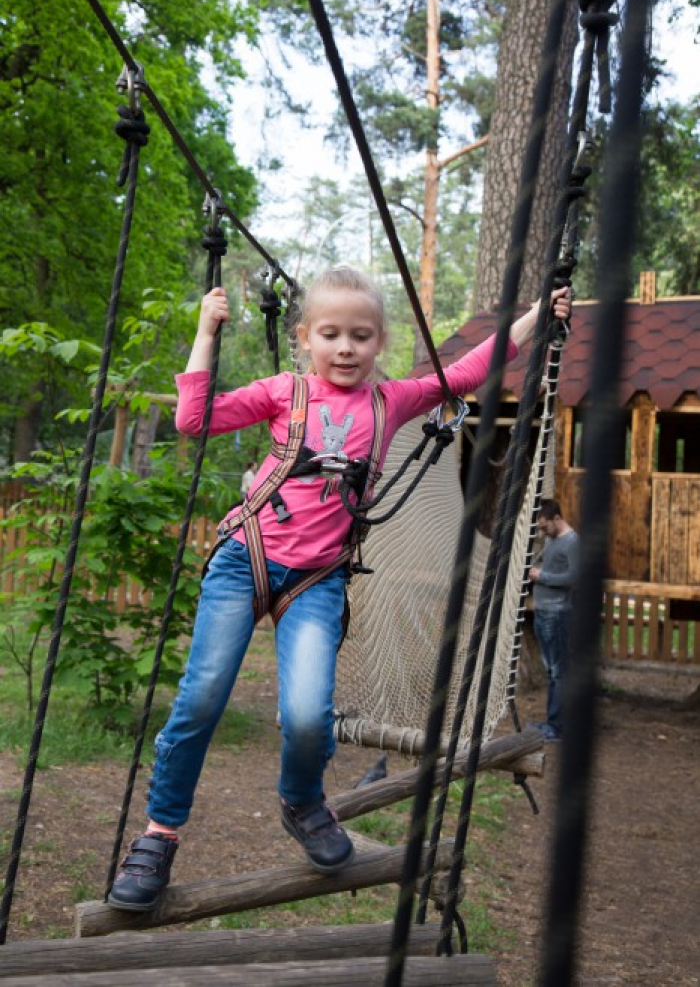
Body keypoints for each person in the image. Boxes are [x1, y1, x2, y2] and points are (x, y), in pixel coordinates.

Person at [107, 266, 572, 911]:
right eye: (331, 334)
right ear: (306, 339)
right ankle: (158, 835)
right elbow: (193, 419)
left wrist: (537, 319)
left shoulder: (394, 402)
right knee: (201, 701)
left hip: (320, 579)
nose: (345, 347)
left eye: (360, 335)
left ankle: (302, 801)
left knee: (305, 715)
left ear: (380, 343)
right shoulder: (283, 391)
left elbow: (469, 372)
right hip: (248, 560)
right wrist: (205, 333)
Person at [529, 498, 579, 742]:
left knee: (558, 672)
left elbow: (575, 577)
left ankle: (557, 727)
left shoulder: (572, 542)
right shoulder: (551, 539)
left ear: (557, 519)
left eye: (545, 526)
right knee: (552, 671)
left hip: (558, 613)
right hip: (542, 610)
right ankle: (552, 722)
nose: (542, 531)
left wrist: (543, 576)